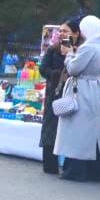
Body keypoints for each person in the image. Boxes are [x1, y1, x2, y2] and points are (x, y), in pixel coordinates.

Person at [55, 15, 100, 182]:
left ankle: (75, 170)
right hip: (95, 88)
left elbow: (73, 69)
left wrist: (69, 54)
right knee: (93, 131)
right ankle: (95, 171)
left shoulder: (88, 48)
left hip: (82, 89)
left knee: (76, 130)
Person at [39, 21, 76, 175]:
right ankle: (50, 165)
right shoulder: (52, 50)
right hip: (54, 93)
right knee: (50, 129)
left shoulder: (78, 51)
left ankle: (69, 165)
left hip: (72, 94)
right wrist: (56, 75)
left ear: (75, 33)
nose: (61, 34)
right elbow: (43, 69)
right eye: (60, 31)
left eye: (65, 31)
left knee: (70, 129)